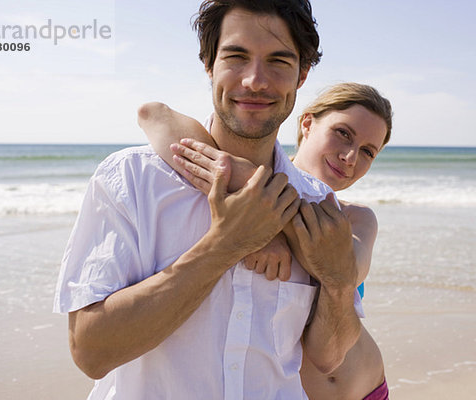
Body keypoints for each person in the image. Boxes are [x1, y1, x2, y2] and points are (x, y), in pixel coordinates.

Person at [54, 1, 366, 399]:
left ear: (302, 75)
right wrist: (225, 245)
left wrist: (338, 282)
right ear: (209, 64)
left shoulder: (317, 204)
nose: (255, 81)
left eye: (279, 61)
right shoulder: (133, 178)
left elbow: (329, 356)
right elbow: (90, 352)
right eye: (236, 57)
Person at [138, 82, 392, 400]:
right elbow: (155, 114)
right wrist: (257, 212)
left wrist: (269, 220)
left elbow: (344, 269)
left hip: (369, 389)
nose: (351, 156)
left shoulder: (358, 218)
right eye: (343, 133)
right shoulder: (261, 180)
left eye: (369, 151)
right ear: (307, 124)